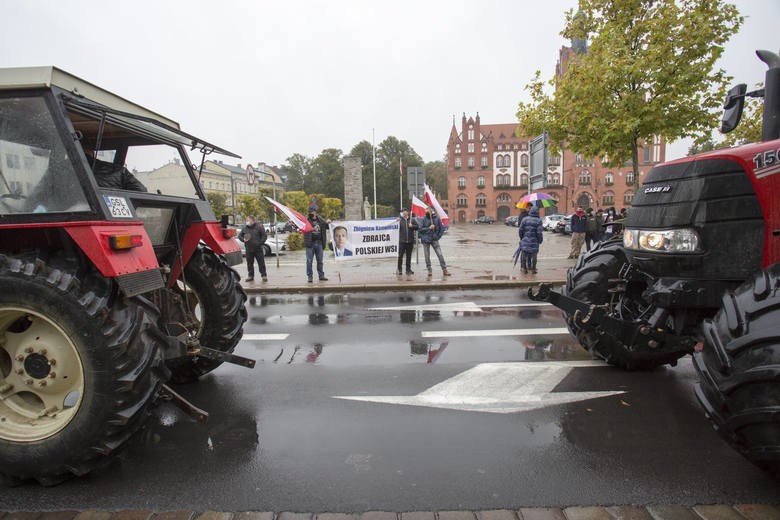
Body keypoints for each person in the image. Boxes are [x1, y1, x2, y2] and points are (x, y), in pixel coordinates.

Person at [419, 208, 450, 277]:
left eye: (427, 211)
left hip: (434, 239)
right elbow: (420, 229)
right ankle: (429, 270)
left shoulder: (437, 218)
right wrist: (429, 228)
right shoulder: (423, 219)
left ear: (431, 211)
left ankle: (444, 270)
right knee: (427, 256)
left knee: (440, 254)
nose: (426, 212)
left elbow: (441, 229)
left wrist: (437, 236)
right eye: (425, 211)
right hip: (426, 240)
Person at [304, 207, 331, 282]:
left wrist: (328, 222)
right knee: (309, 261)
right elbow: (299, 226)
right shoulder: (306, 221)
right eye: (309, 212)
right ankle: (310, 277)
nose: (310, 213)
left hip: (319, 243)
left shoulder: (321, 220)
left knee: (320, 261)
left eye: (312, 212)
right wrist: (293, 222)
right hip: (310, 243)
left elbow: (327, 227)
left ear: (315, 212)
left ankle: (321, 276)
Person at [239, 215, 268, 282]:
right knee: (249, 263)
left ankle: (264, 275)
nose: (247, 222)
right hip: (248, 249)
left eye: (248, 220)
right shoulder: (245, 228)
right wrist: (243, 239)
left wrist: (260, 243)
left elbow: (264, 236)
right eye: (246, 220)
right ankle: (250, 276)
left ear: (252, 221)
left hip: (258, 249)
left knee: (261, 263)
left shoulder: (259, 227)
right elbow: (240, 236)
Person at [518, 206, 543, 274]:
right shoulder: (539, 221)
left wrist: (522, 238)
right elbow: (539, 232)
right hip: (534, 241)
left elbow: (520, 230)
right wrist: (540, 240)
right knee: (534, 256)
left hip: (525, 240)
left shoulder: (524, 219)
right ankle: (533, 269)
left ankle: (524, 268)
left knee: (524, 255)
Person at [396, 208, 418, 275]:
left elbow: (417, 227)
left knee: (409, 256)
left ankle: (408, 269)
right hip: (402, 241)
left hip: (410, 241)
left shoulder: (412, 220)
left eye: (405, 212)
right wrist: (396, 221)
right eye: (403, 212)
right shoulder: (399, 220)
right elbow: (394, 228)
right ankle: (399, 269)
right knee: (400, 256)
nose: (404, 213)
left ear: (408, 213)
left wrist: (412, 226)